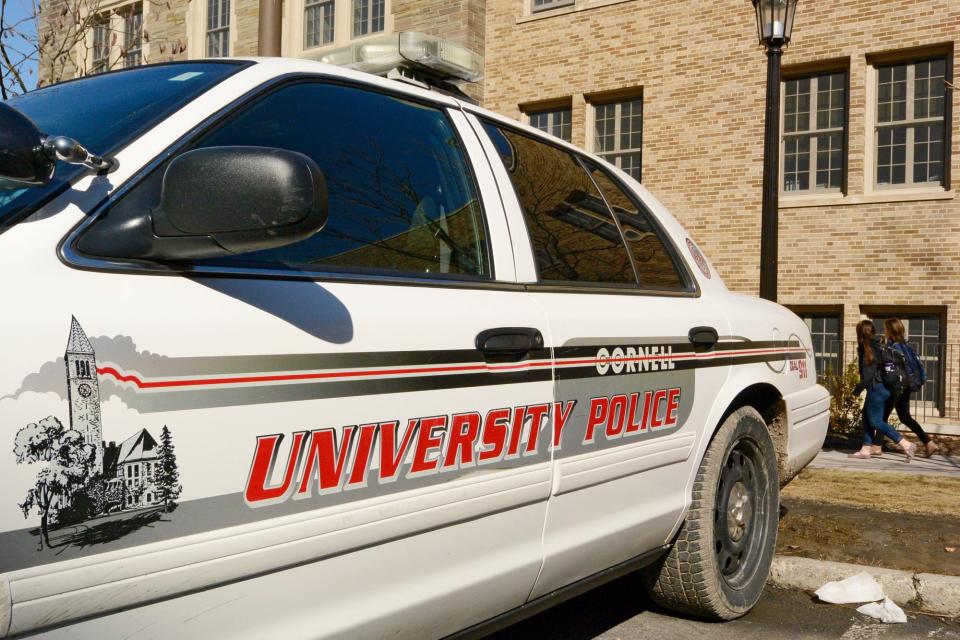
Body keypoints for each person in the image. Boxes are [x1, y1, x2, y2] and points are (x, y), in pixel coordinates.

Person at [849, 319, 916, 462]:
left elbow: (868, 375)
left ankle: (906, 444)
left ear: (859, 333)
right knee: (866, 415)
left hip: (876, 389)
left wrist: (856, 391)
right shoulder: (880, 344)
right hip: (885, 388)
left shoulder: (867, 347)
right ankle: (866, 448)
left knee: (875, 421)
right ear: (872, 331)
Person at [877, 318, 938, 458]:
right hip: (907, 385)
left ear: (891, 331)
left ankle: (876, 445)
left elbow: (890, 369)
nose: (884, 331)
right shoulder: (906, 345)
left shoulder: (893, 348)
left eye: (885, 329)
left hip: (898, 387)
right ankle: (929, 443)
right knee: (903, 417)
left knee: (882, 417)